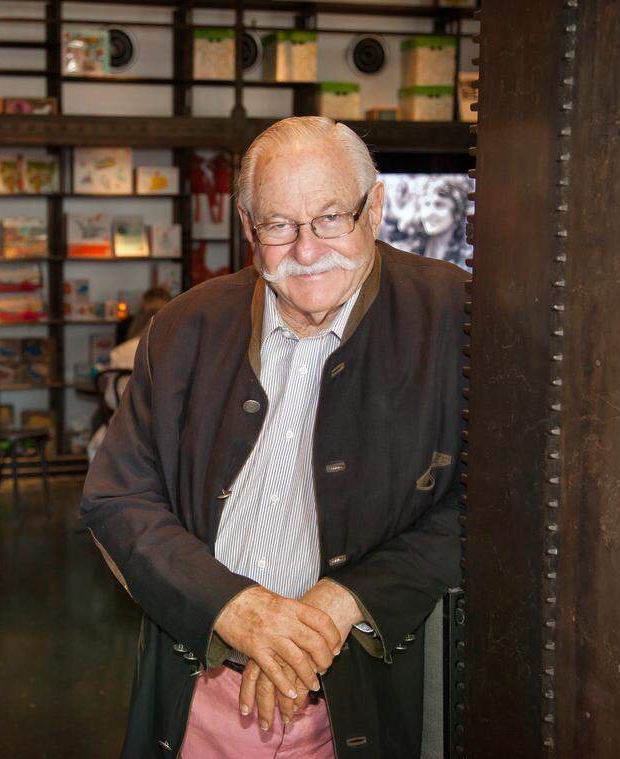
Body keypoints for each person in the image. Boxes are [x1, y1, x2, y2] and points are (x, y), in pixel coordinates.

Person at [80, 116, 465, 758]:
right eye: (279, 226)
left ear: (375, 209)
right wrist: (235, 610)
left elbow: (489, 502)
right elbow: (117, 500)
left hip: (363, 690)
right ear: (248, 228)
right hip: (204, 689)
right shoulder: (185, 328)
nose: (306, 252)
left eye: (329, 218)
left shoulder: (458, 319)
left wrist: (342, 603)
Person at [88, 288, 173, 461]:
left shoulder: (121, 351)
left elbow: (111, 399)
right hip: (166, 429)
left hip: (127, 427)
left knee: (99, 420)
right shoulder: (176, 350)